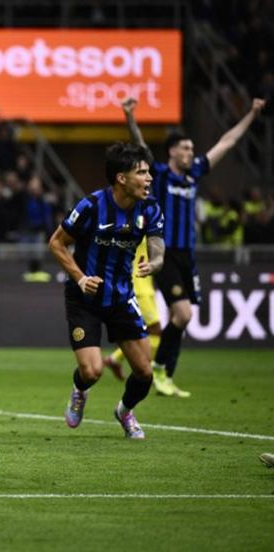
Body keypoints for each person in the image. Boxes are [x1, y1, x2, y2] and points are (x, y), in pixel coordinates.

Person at [123, 96, 266, 397]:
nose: (190, 152)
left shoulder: (194, 173)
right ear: (172, 151)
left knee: (181, 318)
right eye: (185, 148)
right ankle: (161, 371)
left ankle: (163, 373)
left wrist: (251, 114)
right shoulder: (159, 174)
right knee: (183, 315)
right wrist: (130, 117)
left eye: (191, 148)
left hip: (187, 254)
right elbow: (140, 146)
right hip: (164, 253)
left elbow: (226, 143)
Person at [49, 142, 165, 439]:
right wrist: (79, 277)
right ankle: (79, 390)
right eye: (141, 172)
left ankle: (125, 411)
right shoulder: (91, 205)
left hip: (121, 298)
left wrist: (155, 263)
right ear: (121, 178)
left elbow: (157, 248)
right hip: (84, 297)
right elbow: (56, 243)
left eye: (149, 172)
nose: (149, 178)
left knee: (144, 373)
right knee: (92, 371)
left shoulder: (149, 207)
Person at [102, 236, 161, 381]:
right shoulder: (134, 227)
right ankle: (148, 370)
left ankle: (115, 360)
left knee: (143, 332)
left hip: (146, 286)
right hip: (138, 287)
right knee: (154, 329)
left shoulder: (150, 226)